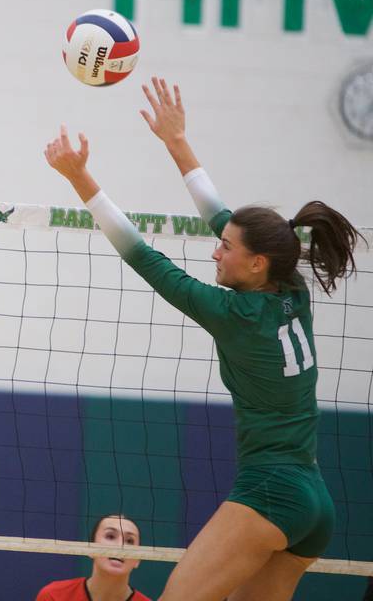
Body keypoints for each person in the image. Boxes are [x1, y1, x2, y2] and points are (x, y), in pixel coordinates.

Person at [44, 77, 364, 601]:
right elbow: (223, 215)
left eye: (226, 248)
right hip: (313, 502)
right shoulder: (291, 286)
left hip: (272, 492)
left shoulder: (235, 312)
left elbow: (144, 257)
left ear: (255, 263)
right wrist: (176, 141)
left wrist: (81, 178)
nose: (216, 251)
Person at [36, 514, 152, 601]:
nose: (119, 546)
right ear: (91, 548)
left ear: (138, 559)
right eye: (110, 536)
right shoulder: (54, 595)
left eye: (129, 541)